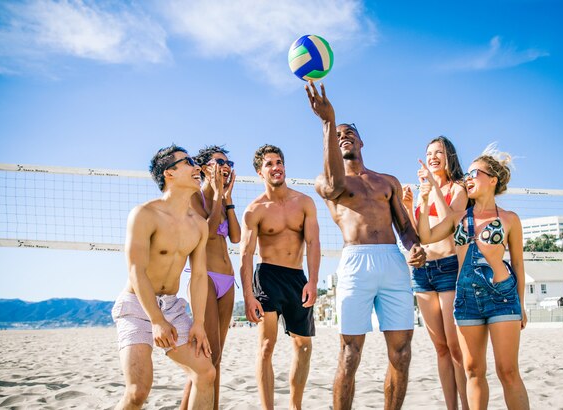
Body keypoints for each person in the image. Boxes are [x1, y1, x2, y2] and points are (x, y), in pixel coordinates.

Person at [305, 82, 427, 410]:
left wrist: (414, 246)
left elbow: (404, 227)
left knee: (401, 355)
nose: (344, 136)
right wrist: (328, 123)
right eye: (338, 134)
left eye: (349, 133)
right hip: (356, 263)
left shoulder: (387, 181)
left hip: (392, 262)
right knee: (349, 355)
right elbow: (331, 186)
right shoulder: (328, 180)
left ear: (361, 141)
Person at [416, 144, 529, 410]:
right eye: (466, 175)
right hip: (466, 300)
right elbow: (426, 236)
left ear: (493, 180)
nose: (468, 179)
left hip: (503, 297)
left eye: (474, 173)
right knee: (473, 371)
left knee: (508, 372)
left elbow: (519, 265)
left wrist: (521, 304)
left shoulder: (510, 219)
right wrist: (424, 199)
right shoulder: (457, 218)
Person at [112, 145, 215, 410]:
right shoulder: (144, 214)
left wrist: (199, 322)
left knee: (206, 373)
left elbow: (200, 276)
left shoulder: (199, 224)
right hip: (137, 305)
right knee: (137, 392)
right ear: (169, 173)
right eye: (189, 162)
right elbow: (135, 269)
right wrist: (156, 321)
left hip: (172, 306)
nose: (197, 167)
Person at [240, 144, 320, 410]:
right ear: (259, 172)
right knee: (266, 346)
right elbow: (246, 255)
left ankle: (295, 406)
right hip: (267, 276)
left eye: (279, 162)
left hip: (298, 277)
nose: (276, 167)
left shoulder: (304, 202)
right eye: (269, 164)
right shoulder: (254, 210)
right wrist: (248, 296)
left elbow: (313, 243)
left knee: (304, 346)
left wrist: (313, 281)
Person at [402, 137, 469, 410]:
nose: (432, 156)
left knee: (455, 348)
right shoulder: (424, 191)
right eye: (429, 153)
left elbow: (450, 222)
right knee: (440, 348)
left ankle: (467, 405)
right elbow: (419, 235)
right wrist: (410, 205)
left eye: (438, 152)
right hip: (423, 272)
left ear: (449, 156)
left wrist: (432, 189)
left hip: (449, 268)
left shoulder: (458, 188)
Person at [180, 145, 241, 410]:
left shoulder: (223, 197)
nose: (226, 166)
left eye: (229, 162)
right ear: (204, 167)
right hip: (204, 277)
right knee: (207, 356)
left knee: (215, 358)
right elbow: (210, 232)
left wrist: (227, 198)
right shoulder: (194, 198)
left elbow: (236, 236)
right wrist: (217, 195)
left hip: (227, 280)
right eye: (219, 162)